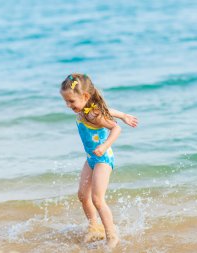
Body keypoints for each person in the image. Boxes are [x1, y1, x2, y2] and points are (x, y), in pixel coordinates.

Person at [60, 73, 138, 248]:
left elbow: (115, 129)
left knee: (97, 199)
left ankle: (111, 235)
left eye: (71, 101)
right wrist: (123, 114)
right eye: (66, 101)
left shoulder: (92, 114)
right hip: (91, 159)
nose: (68, 105)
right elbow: (106, 110)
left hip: (103, 158)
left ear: (85, 97)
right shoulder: (85, 109)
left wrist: (104, 145)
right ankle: (94, 227)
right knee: (82, 195)